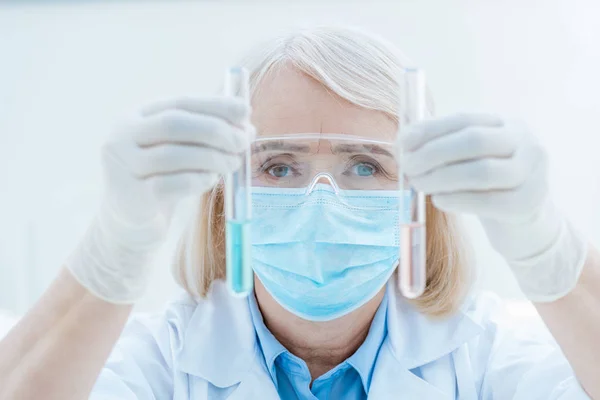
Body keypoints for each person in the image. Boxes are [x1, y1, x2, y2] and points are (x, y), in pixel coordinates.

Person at [0, 26, 599, 400]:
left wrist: (545, 246)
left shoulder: (490, 354)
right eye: (279, 166)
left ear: (420, 197)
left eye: (365, 166)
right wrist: (113, 248)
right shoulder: (157, 363)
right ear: (224, 195)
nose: (321, 201)